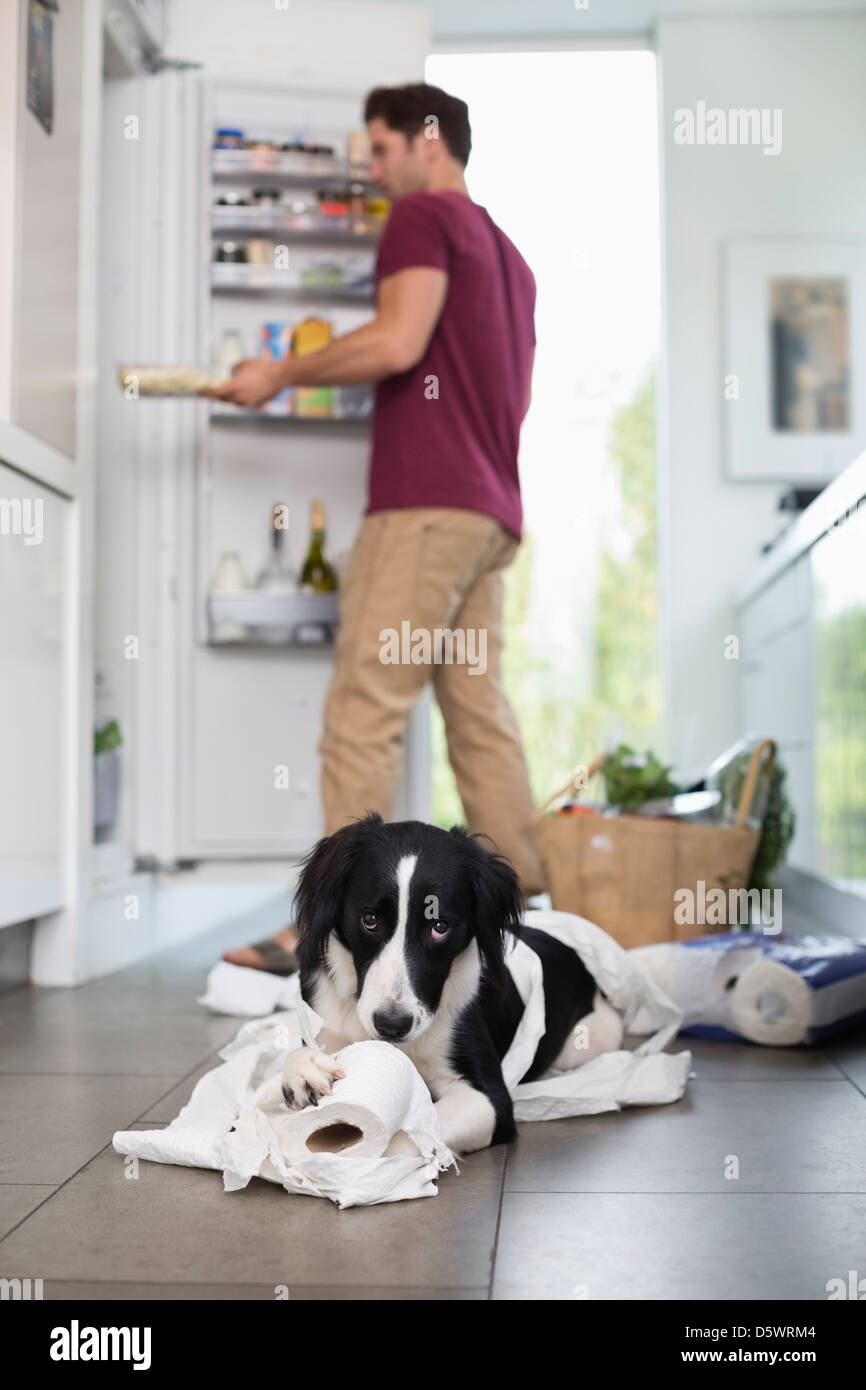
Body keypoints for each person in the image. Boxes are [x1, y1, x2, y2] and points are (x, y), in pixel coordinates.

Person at [210, 82, 545, 974]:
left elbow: (399, 342)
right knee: (480, 717)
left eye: (384, 150)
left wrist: (279, 372)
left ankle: (325, 937)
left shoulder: (423, 220)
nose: (375, 170)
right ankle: (536, 929)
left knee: (364, 708)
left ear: (429, 142)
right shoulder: (512, 260)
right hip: (490, 509)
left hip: (426, 503)